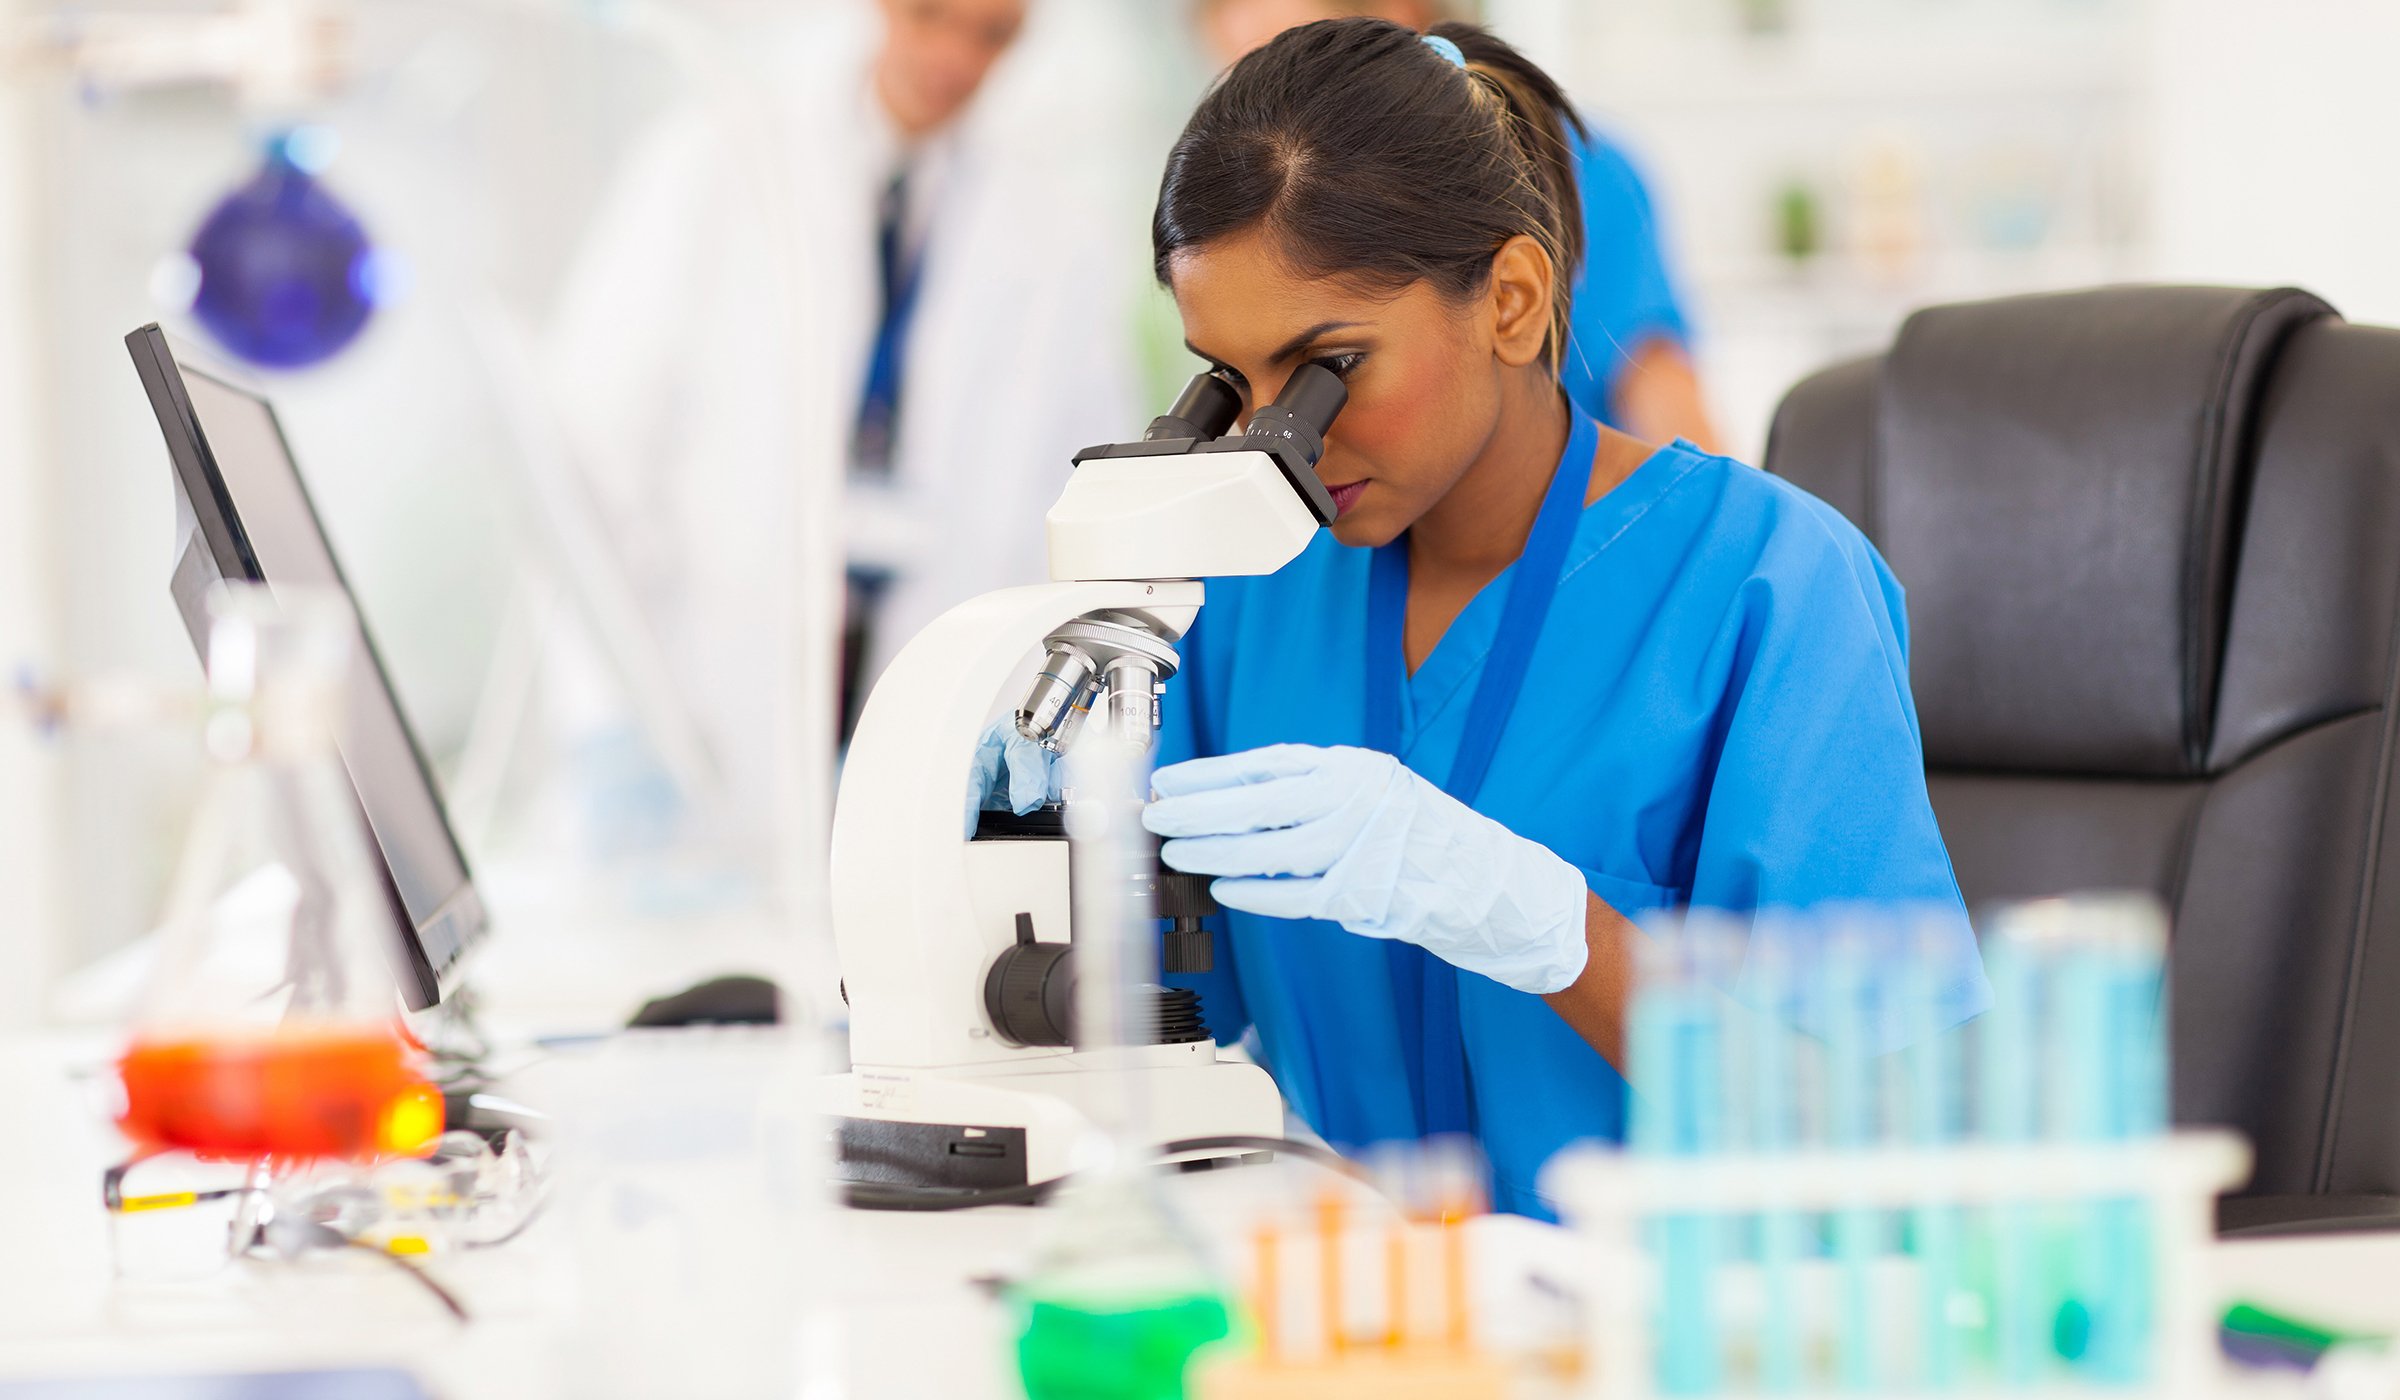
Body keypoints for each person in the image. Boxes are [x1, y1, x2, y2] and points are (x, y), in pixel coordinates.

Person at [985, 18, 1985, 1217]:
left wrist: (1557, 925)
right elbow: (1135, 1005)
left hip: (1663, 1328)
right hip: (1366, 1316)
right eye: (1233, 383)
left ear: (1509, 300)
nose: (1274, 437)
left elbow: (1895, 1124)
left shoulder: (1768, 585)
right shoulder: (1248, 589)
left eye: (1326, 368)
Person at [548, 0, 1145, 830]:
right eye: (932, 18)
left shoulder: (1056, 239)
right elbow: (595, 449)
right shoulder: (713, 163)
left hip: (931, 687)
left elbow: (1085, 505)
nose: (955, 58)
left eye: (993, 35)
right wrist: (614, 709)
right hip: (711, 680)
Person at [1194, 0, 1721, 450]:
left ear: (1398, 16)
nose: (1266, 125)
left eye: (1298, 72)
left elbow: (1656, 380)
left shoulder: (1578, 171)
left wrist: (1691, 527)